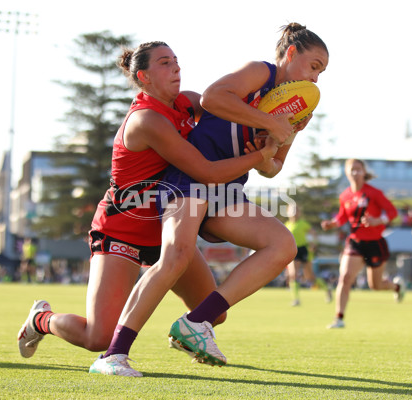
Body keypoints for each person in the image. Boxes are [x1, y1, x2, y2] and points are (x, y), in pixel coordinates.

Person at [16, 42, 278, 364]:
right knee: (97, 337)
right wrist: (260, 155)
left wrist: (280, 116)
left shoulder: (185, 102)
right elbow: (206, 172)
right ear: (144, 76)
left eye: (176, 61)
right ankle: (41, 319)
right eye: (165, 63)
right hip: (123, 230)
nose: (176, 68)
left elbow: (228, 111)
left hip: (165, 225)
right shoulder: (146, 120)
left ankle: (187, 337)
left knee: (214, 312)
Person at [92, 23, 329, 377]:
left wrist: (270, 147)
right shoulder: (260, 71)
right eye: (313, 66)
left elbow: (272, 169)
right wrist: (267, 122)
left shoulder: (298, 107)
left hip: (227, 189)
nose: (315, 79)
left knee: (282, 246)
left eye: (321, 73)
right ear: (291, 54)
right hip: (189, 180)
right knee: (175, 256)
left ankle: (196, 322)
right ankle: (112, 355)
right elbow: (212, 98)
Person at [320, 158, 403, 329]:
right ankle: (339, 318)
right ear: (346, 173)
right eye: (352, 169)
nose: (355, 172)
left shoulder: (374, 193)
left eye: (359, 169)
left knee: (376, 286)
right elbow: (342, 216)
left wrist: (378, 220)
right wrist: (332, 223)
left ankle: (396, 287)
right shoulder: (345, 195)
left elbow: (393, 212)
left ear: (364, 172)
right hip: (355, 242)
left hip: (375, 243)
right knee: (345, 277)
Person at [284, 205, 331, 306]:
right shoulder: (287, 225)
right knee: (293, 274)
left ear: (299, 212)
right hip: (293, 250)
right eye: (292, 210)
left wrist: (313, 244)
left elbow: (314, 233)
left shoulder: (303, 223)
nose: (294, 212)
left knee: (309, 277)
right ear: (288, 212)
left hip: (303, 250)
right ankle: (296, 299)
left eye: (296, 210)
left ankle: (327, 289)